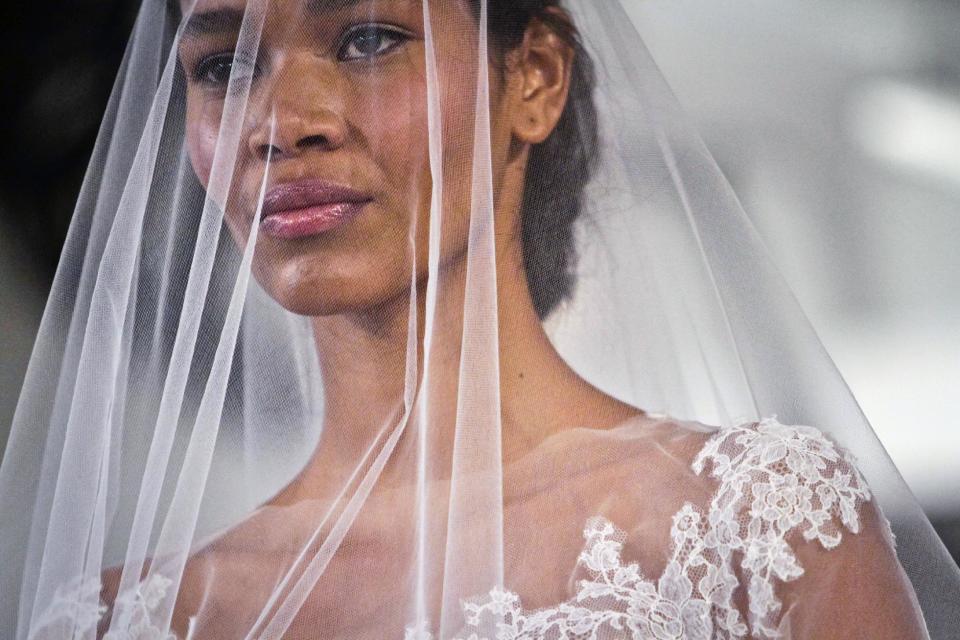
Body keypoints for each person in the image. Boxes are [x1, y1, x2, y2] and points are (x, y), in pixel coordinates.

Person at [1, 1, 956, 638]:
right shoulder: (120, 622)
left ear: (533, 76)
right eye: (222, 65)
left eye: (367, 38)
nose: (282, 121)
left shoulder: (756, 525)